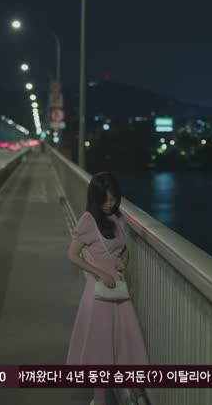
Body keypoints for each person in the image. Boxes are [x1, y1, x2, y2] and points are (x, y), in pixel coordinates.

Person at [66, 172, 149, 405]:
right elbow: (72, 254)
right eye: (105, 200)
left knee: (120, 345)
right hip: (100, 294)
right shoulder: (88, 221)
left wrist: (124, 261)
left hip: (119, 291)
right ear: (95, 199)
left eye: (113, 199)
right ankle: (99, 400)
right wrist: (98, 272)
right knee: (101, 348)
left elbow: (123, 249)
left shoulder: (116, 217)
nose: (109, 204)